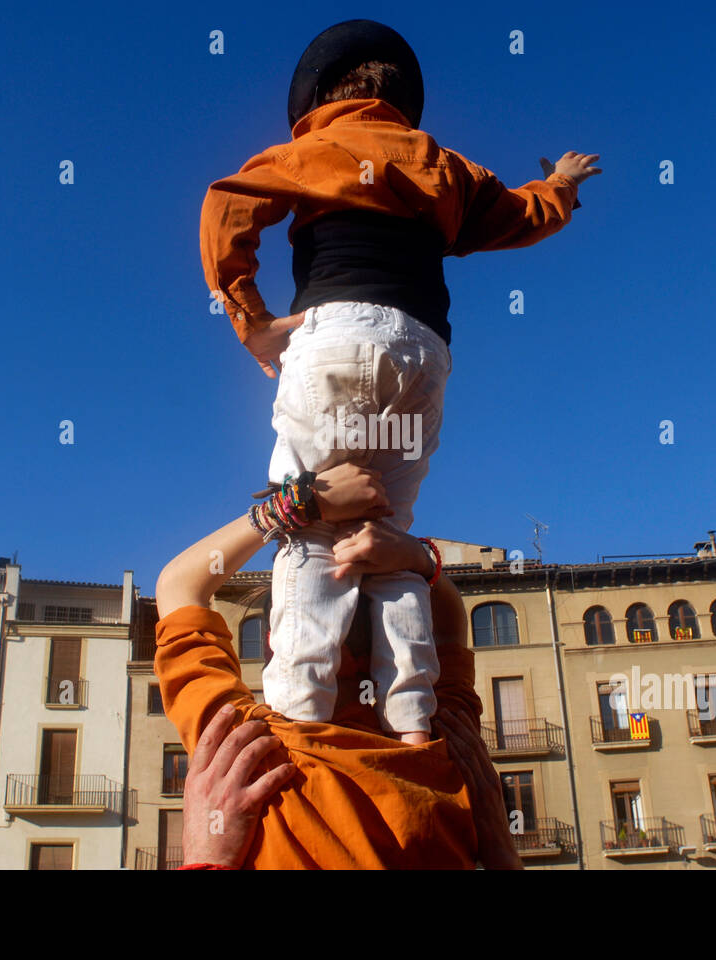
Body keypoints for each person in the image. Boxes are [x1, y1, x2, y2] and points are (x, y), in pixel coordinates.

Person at [200, 18, 602, 744]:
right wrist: (562, 186)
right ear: (398, 98)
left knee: (312, 534)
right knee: (386, 536)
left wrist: (249, 318)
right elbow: (521, 215)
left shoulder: (311, 147)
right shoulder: (444, 165)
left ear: (324, 96)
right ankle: (415, 722)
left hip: (337, 334)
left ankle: (299, 720)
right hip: (422, 350)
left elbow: (226, 205)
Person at [154, 463, 522, 868]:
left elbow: (177, 585)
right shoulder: (449, 749)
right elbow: (451, 628)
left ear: (274, 642)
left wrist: (295, 506)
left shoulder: (249, 756)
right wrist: (417, 559)